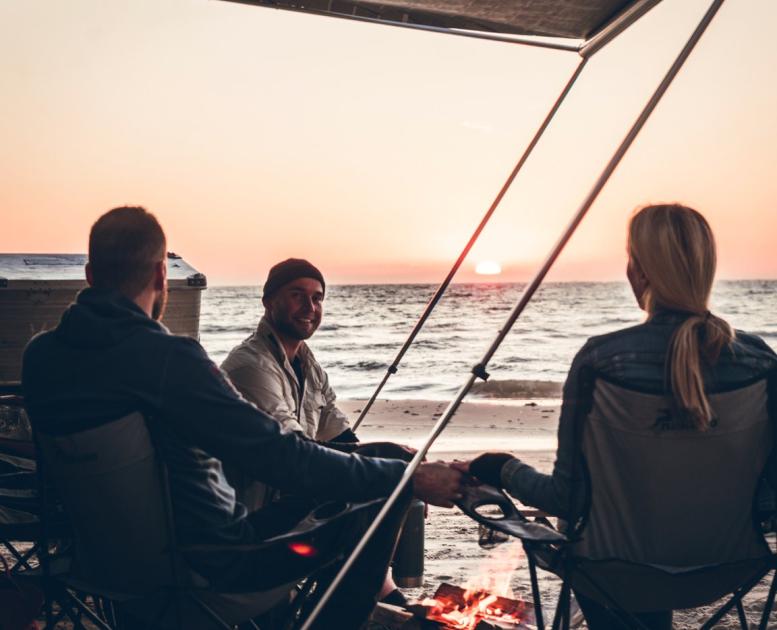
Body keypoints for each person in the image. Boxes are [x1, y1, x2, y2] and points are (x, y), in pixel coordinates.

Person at [22, 206, 464, 629]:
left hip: (100, 567)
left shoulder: (39, 358)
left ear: (90, 275)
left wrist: (389, 467)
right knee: (378, 502)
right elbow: (279, 457)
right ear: (161, 274)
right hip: (211, 567)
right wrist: (408, 480)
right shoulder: (168, 359)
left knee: (380, 472)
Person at [456, 204, 777, 629]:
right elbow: (769, 501)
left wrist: (499, 467)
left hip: (615, 576)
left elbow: (565, 498)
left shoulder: (601, 362)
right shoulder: (759, 363)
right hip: (729, 569)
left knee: (608, 558)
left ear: (640, 272)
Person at [221, 258, 412, 606]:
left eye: (317, 298)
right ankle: (371, 595)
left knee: (397, 464)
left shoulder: (307, 364)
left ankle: (378, 587)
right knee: (391, 468)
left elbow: (342, 439)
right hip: (253, 517)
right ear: (269, 301)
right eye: (297, 295)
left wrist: (404, 467)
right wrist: (393, 469)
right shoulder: (251, 367)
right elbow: (295, 455)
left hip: (292, 497)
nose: (310, 307)